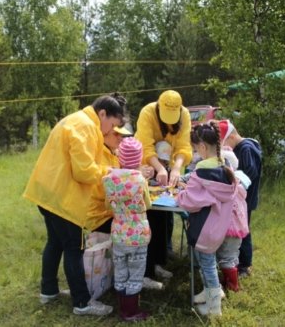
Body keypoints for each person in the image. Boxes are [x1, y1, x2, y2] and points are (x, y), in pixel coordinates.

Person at [23, 93, 126, 316]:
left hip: (49, 193)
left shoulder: (77, 120)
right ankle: (82, 302)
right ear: (102, 114)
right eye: (112, 125)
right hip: (63, 198)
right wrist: (109, 172)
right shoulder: (87, 126)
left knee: (55, 243)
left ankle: (48, 291)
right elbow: (84, 171)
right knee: (74, 247)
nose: (110, 131)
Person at [176, 122, 239, 316]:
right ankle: (209, 293)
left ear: (202, 147)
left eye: (196, 149)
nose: (196, 153)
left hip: (204, 229)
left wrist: (180, 193)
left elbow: (189, 201)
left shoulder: (201, 172)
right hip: (217, 228)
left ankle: (214, 307)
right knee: (208, 263)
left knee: (208, 265)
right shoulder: (225, 168)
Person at [135, 90, 193, 289]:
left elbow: (184, 146)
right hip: (148, 169)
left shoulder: (184, 114)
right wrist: (159, 168)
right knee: (151, 216)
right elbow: (146, 147)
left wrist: (176, 167)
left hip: (171, 168)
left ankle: (159, 262)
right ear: (159, 108)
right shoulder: (147, 112)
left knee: (164, 218)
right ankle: (147, 269)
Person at [102, 137, 152, 321]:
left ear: (119, 158)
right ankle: (131, 312)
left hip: (118, 234)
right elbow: (147, 204)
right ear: (139, 160)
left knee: (121, 272)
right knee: (136, 273)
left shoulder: (108, 179)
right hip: (138, 235)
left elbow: (108, 206)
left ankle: (122, 308)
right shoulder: (140, 179)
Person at [218, 119, 262, 278]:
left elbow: (249, 172)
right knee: (241, 229)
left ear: (230, 137)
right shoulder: (246, 146)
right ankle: (237, 262)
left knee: (243, 231)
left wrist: (234, 182)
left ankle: (244, 265)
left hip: (245, 199)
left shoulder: (246, 149)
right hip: (243, 198)